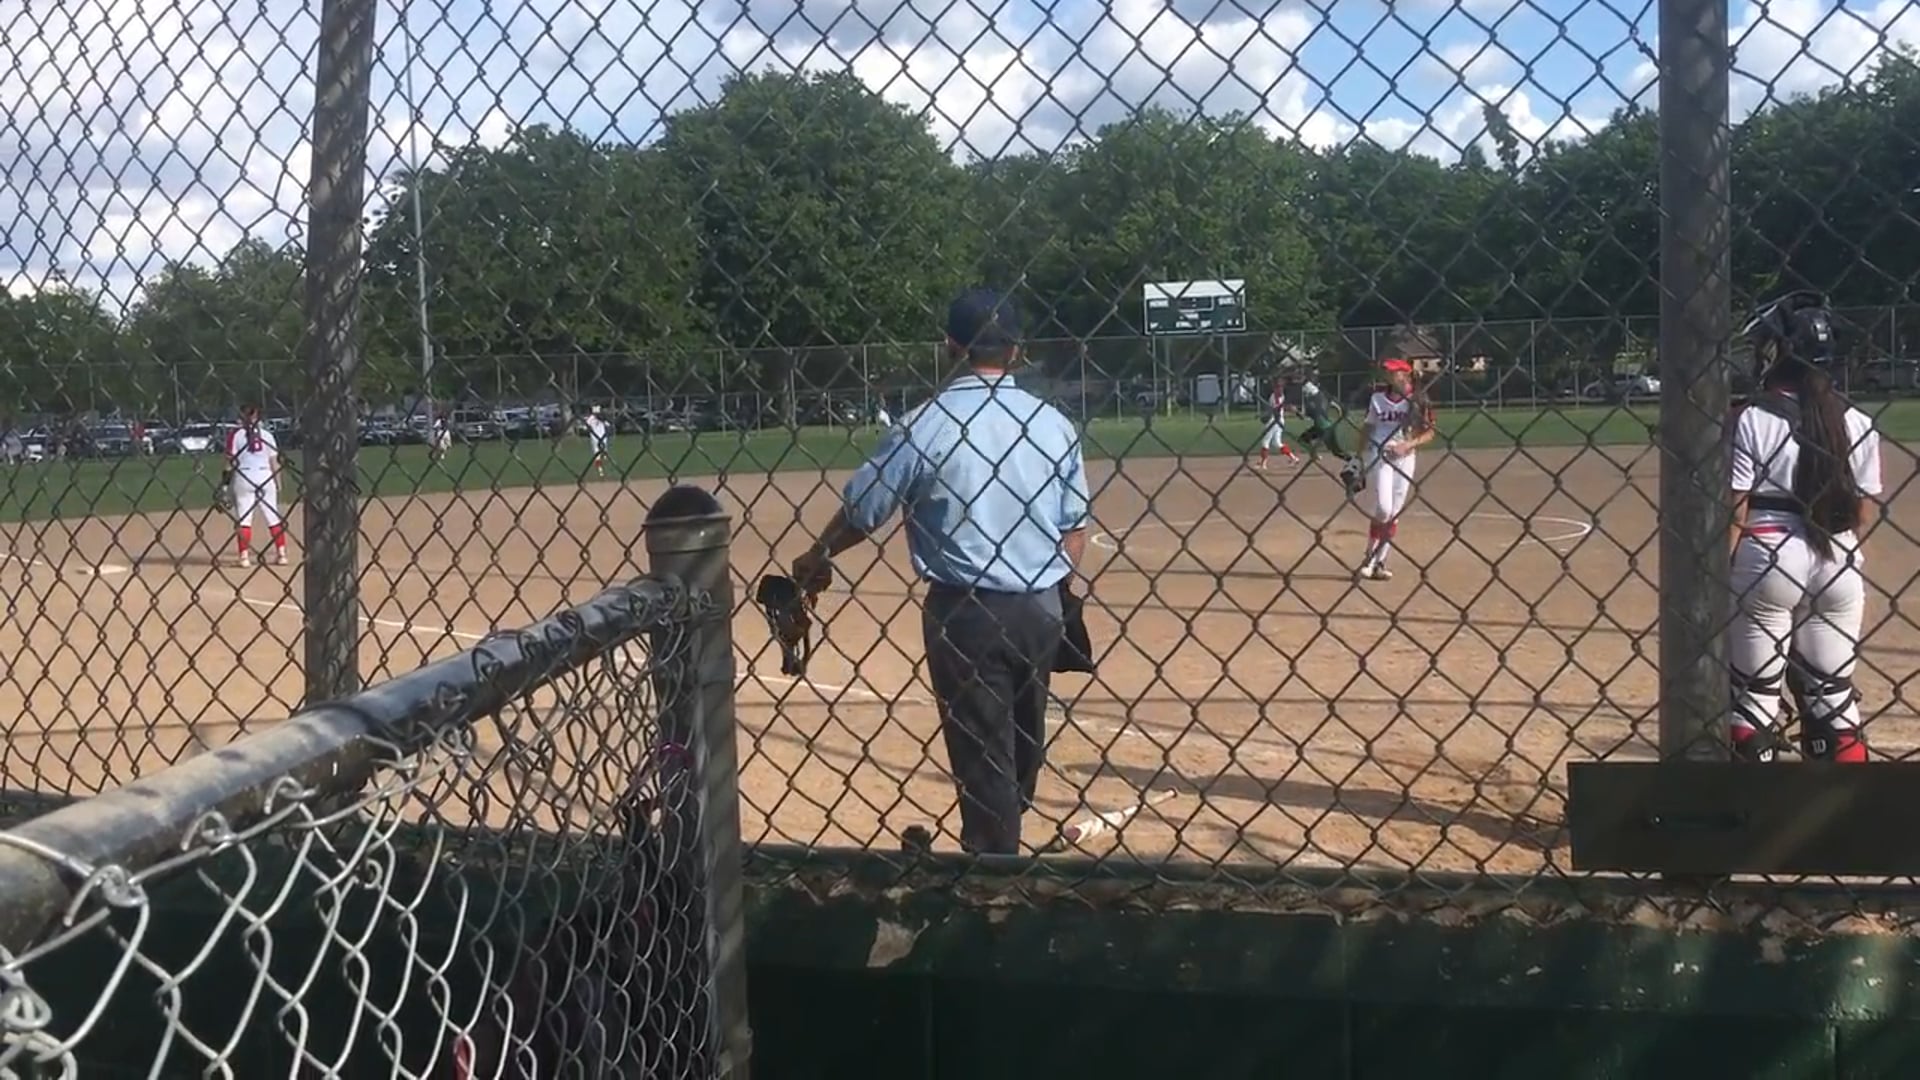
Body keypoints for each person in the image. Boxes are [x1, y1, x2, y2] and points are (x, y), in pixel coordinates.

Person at [790, 288, 1091, 855]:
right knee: (1023, 746)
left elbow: (865, 510)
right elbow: (1074, 529)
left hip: (966, 614)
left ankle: (992, 870)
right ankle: (1002, 843)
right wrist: (1052, 589)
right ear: (1017, 350)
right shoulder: (1053, 425)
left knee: (984, 756)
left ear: (951, 346)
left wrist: (819, 554)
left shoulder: (924, 425)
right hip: (1042, 608)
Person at [1726, 290, 1881, 762]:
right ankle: (1847, 803)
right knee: (1833, 698)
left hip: (1768, 552)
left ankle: (1753, 800)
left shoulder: (1751, 417)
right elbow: (1862, 513)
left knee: (1754, 698)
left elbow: (1736, 510)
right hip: (1838, 556)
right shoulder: (1858, 420)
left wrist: (1720, 575)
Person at [1356, 358, 1436, 582]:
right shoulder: (1377, 397)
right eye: (1387, 372)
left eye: (1393, 372)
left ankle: (1379, 562)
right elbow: (1367, 428)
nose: (1388, 375)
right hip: (1379, 454)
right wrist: (1358, 457)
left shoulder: (1418, 400)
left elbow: (1430, 432)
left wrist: (1408, 445)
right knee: (1383, 509)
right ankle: (1369, 556)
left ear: (1405, 374)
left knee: (1394, 513)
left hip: (1405, 458)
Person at [224, 405, 288, 568]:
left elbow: (229, 463)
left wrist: (225, 487)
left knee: (244, 519)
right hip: (266, 475)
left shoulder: (235, 435)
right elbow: (274, 462)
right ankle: (281, 554)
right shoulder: (267, 435)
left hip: (244, 476)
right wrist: (278, 483)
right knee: (272, 517)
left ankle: (244, 558)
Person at [1254, 377, 1299, 469]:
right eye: (1277, 387)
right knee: (1276, 443)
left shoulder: (1278, 397)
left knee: (1265, 441)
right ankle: (1294, 458)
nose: (1279, 389)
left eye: (1280, 387)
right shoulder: (1274, 396)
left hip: (1274, 421)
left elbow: (1275, 410)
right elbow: (1273, 408)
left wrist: (1263, 415)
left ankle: (1263, 464)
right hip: (1278, 421)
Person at [584, 406, 612, 479]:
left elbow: (585, 427)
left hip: (595, 438)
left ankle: (601, 471)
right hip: (602, 438)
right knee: (603, 453)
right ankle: (602, 469)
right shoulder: (602, 418)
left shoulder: (590, 418)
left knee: (597, 455)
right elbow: (608, 425)